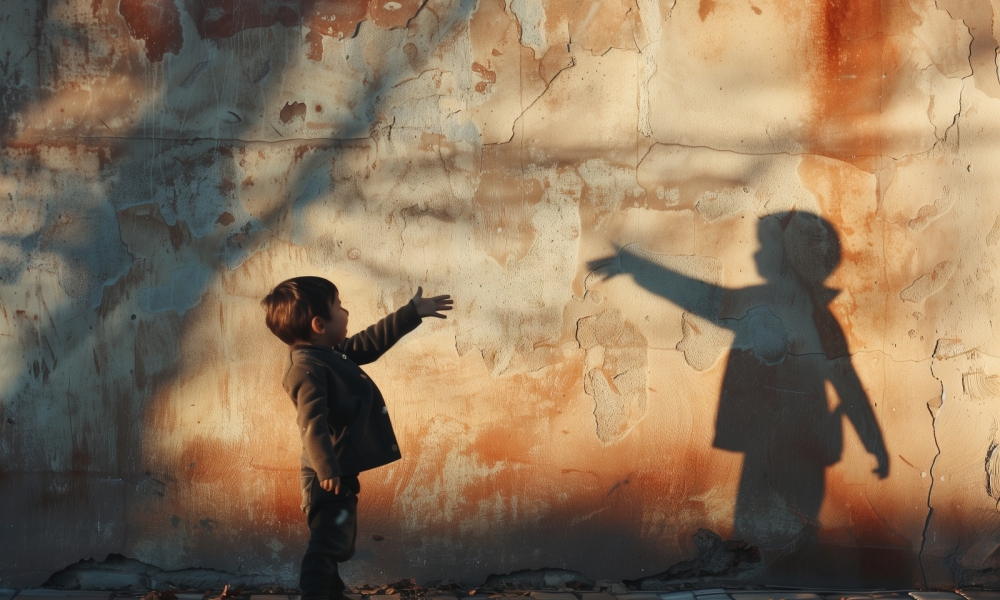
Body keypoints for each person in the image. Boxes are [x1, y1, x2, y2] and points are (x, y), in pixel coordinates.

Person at [590, 211, 888, 557]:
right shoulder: (817, 315)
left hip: (788, 447)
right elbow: (848, 384)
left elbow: (699, 296)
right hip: (782, 446)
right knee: (780, 537)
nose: (755, 255)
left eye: (766, 248)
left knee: (772, 535)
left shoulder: (767, 305)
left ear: (790, 261)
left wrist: (638, 269)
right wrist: (873, 443)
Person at [261, 277, 452, 600]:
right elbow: (312, 424)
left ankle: (329, 591)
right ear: (319, 324)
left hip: (337, 472)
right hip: (326, 475)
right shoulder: (306, 367)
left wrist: (411, 313)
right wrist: (327, 470)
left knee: (338, 540)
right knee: (328, 543)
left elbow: (369, 344)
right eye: (339, 306)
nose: (345, 311)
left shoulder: (328, 354)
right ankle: (317, 594)